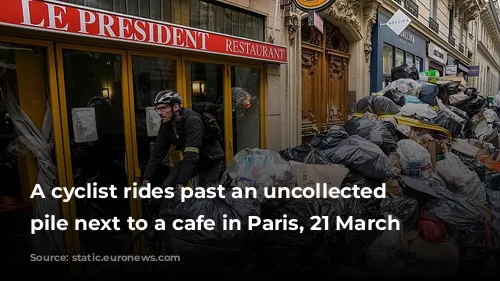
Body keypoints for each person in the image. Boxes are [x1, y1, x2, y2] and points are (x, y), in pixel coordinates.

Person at [141, 90, 225, 191]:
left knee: (206, 193)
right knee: (168, 186)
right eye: (158, 109)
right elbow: (157, 153)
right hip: (193, 160)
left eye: (163, 108)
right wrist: (146, 180)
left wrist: (181, 183)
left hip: (210, 160)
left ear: (175, 107)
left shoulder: (193, 121)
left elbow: (191, 154)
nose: (160, 113)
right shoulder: (166, 125)